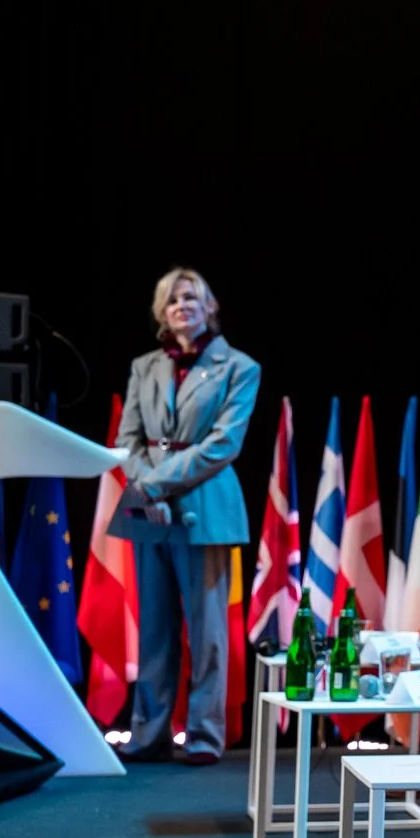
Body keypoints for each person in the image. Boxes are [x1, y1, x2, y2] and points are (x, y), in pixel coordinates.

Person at [106, 268, 260, 765]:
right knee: (154, 628)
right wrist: (145, 484)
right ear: (161, 312)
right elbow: (127, 438)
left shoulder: (239, 367)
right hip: (149, 510)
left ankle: (203, 737)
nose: (182, 305)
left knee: (207, 631)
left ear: (209, 306)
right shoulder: (143, 366)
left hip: (205, 506)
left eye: (191, 297)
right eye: (172, 299)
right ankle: (148, 734)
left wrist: (153, 483)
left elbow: (223, 444)